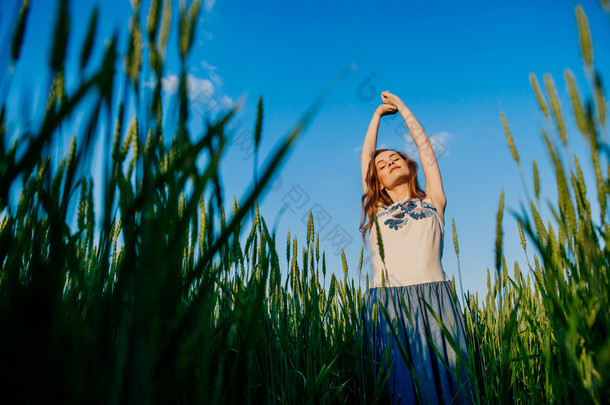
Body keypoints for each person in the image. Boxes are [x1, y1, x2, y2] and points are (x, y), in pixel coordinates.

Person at [360, 91, 472, 404]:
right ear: (378, 182)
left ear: (410, 166)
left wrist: (404, 108)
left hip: (436, 300)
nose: (390, 161)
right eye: (382, 164)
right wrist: (378, 115)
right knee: (399, 390)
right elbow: (366, 158)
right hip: (387, 305)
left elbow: (426, 150)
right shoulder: (376, 211)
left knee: (449, 386)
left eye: (395, 157)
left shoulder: (433, 201)